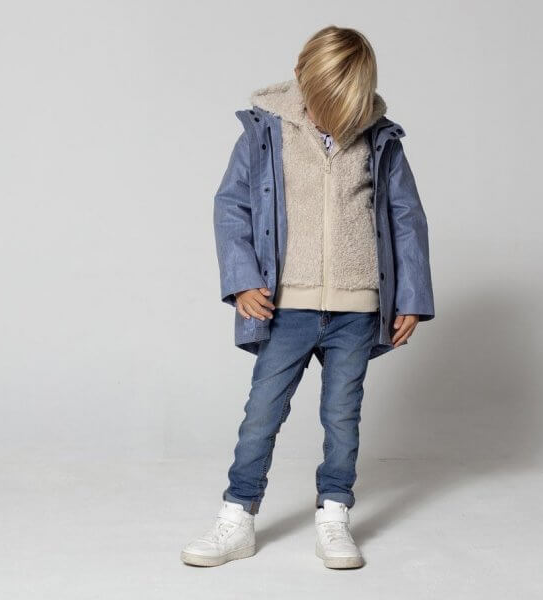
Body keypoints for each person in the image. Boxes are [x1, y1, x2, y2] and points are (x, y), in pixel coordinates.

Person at [181, 25, 434, 569]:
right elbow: (232, 207)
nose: (335, 119)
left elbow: (406, 218)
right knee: (261, 413)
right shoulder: (265, 133)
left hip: (357, 307)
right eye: (325, 105)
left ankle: (334, 515)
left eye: (348, 109)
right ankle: (237, 517)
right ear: (300, 79)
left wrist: (411, 297)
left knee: (342, 417)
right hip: (285, 305)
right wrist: (243, 280)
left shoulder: (381, 140)